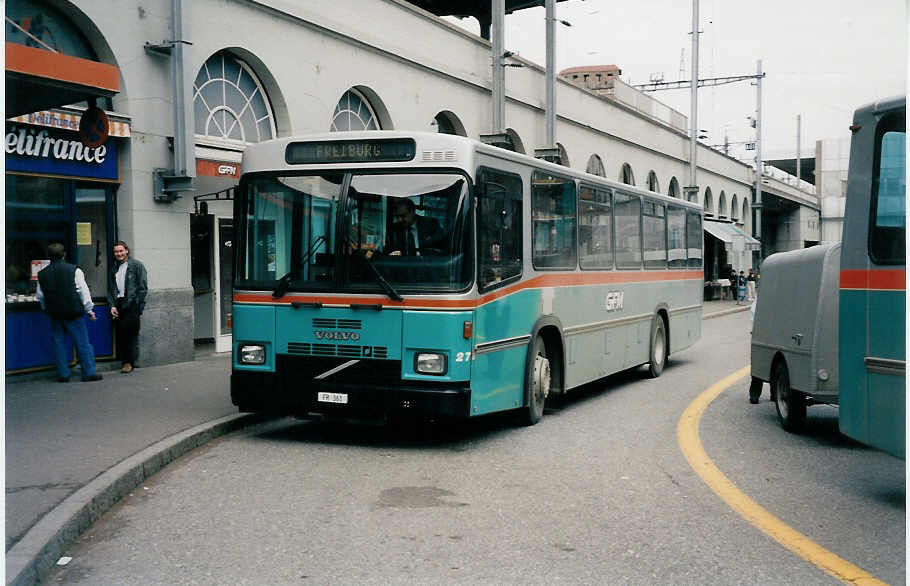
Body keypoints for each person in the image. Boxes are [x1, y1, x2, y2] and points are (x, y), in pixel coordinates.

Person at [35, 243, 103, 382]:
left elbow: (40, 296)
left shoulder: (42, 274)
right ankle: (89, 372)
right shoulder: (74, 270)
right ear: (64, 254)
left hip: (55, 313)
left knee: (58, 343)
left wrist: (45, 308)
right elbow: (83, 292)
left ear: (48, 257)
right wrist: (89, 309)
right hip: (73, 312)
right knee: (82, 343)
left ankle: (63, 374)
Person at [108, 241, 148, 373]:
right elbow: (111, 288)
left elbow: (142, 287)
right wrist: (112, 305)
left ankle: (128, 363)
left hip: (132, 304)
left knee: (130, 334)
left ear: (127, 251)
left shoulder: (136, 265)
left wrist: (138, 305)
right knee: (121, 334)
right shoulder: (114, 268)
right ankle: (127, 361)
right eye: (116, 252)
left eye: (121, 251)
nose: (118, 254)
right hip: (119, 303)